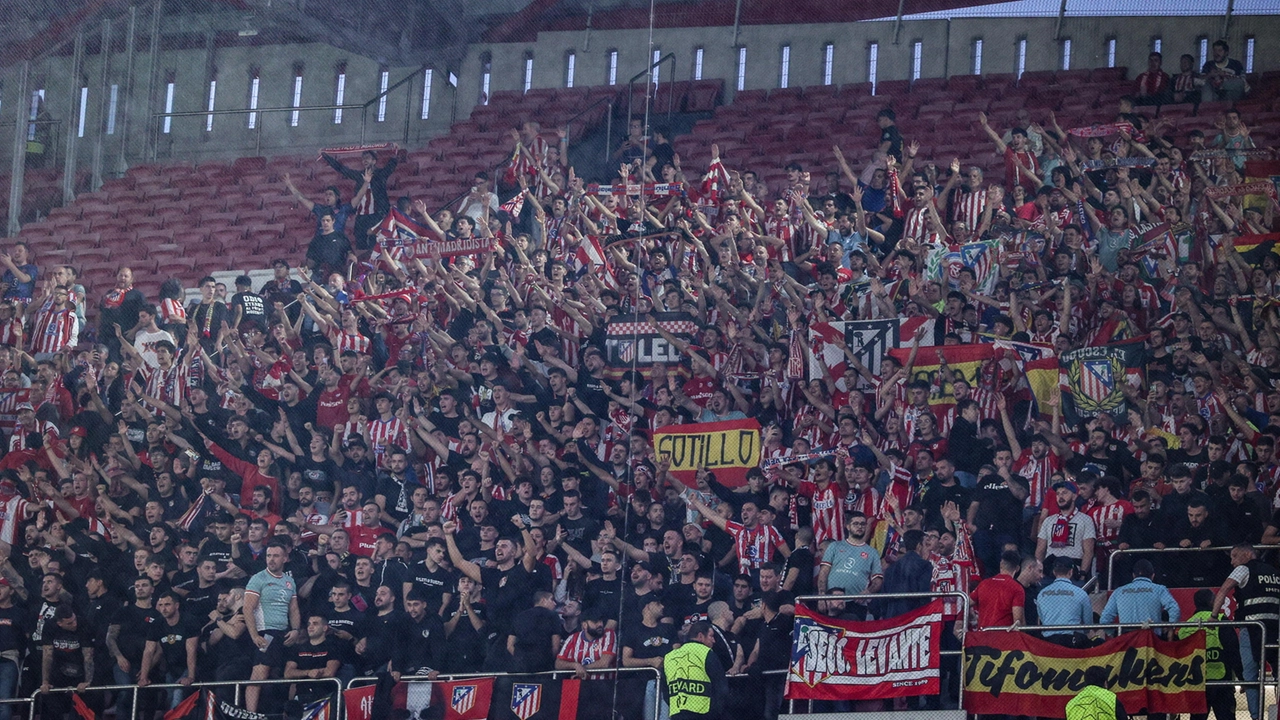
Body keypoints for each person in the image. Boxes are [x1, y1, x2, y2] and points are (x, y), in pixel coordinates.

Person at [242, 540, 302, 713]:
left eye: (276, 556)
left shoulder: (289, 581)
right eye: (268, 555)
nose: (271, 559)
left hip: (283, 633)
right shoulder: (258, 578)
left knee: (281, 674)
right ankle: (251, 715)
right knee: (259, 674)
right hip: (265, 632)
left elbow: (294, 609)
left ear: (285, 558)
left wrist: (296, 630)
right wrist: (254, 635)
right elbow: (247, 608)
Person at [664, 620, 728, 720]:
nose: (714, 641)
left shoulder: (669, 656)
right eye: (711, 636)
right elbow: (721, 686)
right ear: (700, 636)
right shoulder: (706, 652)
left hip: (678, 713)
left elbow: (665, 691)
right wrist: (716, 711)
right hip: (704, 713)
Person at [1099, 559, 1180, 630]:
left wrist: (1114, 634)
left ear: (1133, 575)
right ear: (1153, 576)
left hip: (1127, 639)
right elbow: (1174, 608)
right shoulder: (1159, 589)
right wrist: (1171, 628)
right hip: (1151, 639)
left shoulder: (1118, 592)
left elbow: (1105, 619)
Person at [1036, 557, 1093, 648]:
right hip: (1074, 641)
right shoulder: (1081, 593)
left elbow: (1042, 619)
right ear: (1071, 572)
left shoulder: (1042, 594)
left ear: (1054, 572)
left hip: (1049, 642)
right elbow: (1088, 624)